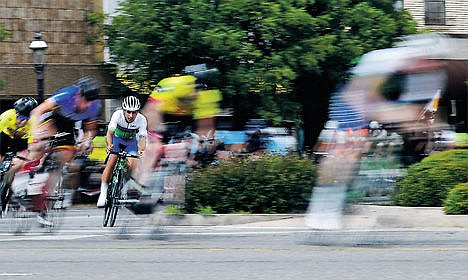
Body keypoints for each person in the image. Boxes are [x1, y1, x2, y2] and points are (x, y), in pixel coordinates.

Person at [127, 64, 222, 192]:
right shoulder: (172, 84)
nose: (197, 93)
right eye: (195, 88)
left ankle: (175, 192)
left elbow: (206, 126)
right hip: (161, 113)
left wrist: (205, 142)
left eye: (201, 90)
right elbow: (151, 111)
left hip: (185, 118)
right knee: (153, 146)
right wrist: (156, 135)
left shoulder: (208, 95)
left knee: (188, 148)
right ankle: (137, 183)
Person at [28, 76, 102, 225]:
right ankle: (27, 173)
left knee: (63, 158)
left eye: (90, 102)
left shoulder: (94, 106)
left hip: (69, 125)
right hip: (53, 117)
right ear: (78, 95)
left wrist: (87, 140)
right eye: (85, 101)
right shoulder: (67, 94)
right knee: (38, 145)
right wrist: (36, 132)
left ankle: (44, 208)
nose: (87, 105)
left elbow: (90, 129)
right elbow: (37, 111)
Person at [96, 96, 147, 207]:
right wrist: (109, 145)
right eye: (128, 112)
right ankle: (103, 192)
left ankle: (123, 184)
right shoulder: (117, 115)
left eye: (134, 112)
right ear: (124, 110)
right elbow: (109, 134)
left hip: (130, 142)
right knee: (112, 159)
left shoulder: (142, 119)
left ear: (138, 112)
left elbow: (142, 138)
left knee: (134, 163)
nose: (131, 115)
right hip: (117, 140)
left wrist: (141, 150)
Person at [0, 97, 38, 213]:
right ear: (16, 113)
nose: (23, 122)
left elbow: (32, 146)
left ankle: (7, 193)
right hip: (5, 137)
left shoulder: (33, 124)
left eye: (27, 119)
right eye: (20, 117)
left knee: (17, 165)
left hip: (20, 142)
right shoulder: (8, 115)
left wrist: (30, 157)